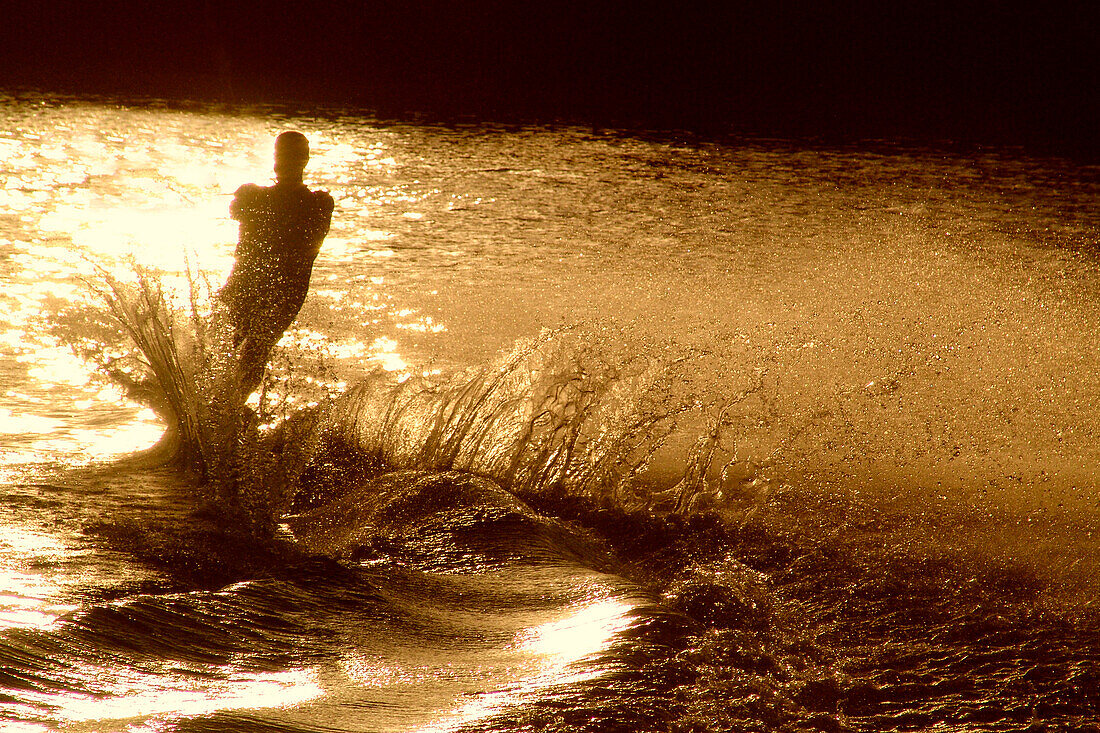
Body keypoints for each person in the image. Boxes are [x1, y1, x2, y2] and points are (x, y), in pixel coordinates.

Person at [217, 131, 335, 396]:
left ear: (304, 159)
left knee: (255, 350)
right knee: (221, 345)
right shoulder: (254, 196)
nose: (283, 161)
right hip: (247, 282)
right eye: (280, 155)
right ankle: (204, 404)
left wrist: (255, 198)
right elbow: (236, 210)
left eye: (290, 156)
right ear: (274, 158)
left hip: (284, 291)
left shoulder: (318, 203)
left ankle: (231, 407)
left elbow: (310, 242)